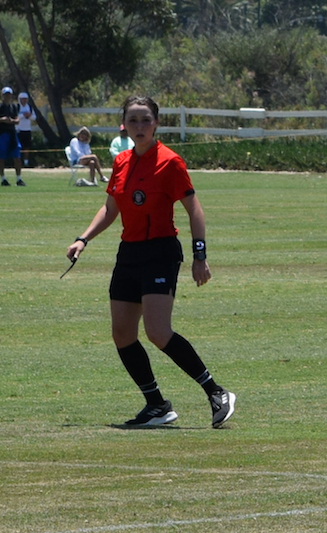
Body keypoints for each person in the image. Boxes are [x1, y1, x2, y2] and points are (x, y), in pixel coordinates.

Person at [65, 94, 235, 429]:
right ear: (123, 125)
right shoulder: (122, 161)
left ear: (156, 123)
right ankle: (157, 405)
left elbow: (194, 210)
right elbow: (111, 208)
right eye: (133, 120)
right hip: (129, 253)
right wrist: (83, 239)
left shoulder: (170, 162)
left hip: (160, 251)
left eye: (146, 120)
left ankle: (216, 392)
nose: (139, 126)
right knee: (122, 333)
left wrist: (200, 255)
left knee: (157, 332)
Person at [0, 86, 26, 186]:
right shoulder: (0, 107)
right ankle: (3, 179)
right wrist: (2, 120)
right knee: (1, 158)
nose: (7, 96)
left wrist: (11, 121)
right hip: (2, 134)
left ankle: (19, 179)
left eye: (9, 94)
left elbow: (17, 120)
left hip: (12, 134)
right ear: (3, 95)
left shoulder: (14, 107)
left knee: (17, 156)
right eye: (6, 94)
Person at [15, 92, 35, 168]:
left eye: (25, 99)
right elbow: (15, 117)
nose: (24, 100)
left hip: (27, 129)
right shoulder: (17, 107)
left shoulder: (29, 107)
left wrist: (29, 116)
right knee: (18, 147)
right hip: (18, 130)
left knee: (27, 146)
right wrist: (24, 115)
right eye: (22, 99)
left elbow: (34, 117)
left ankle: (26, 162)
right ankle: (18, 162)